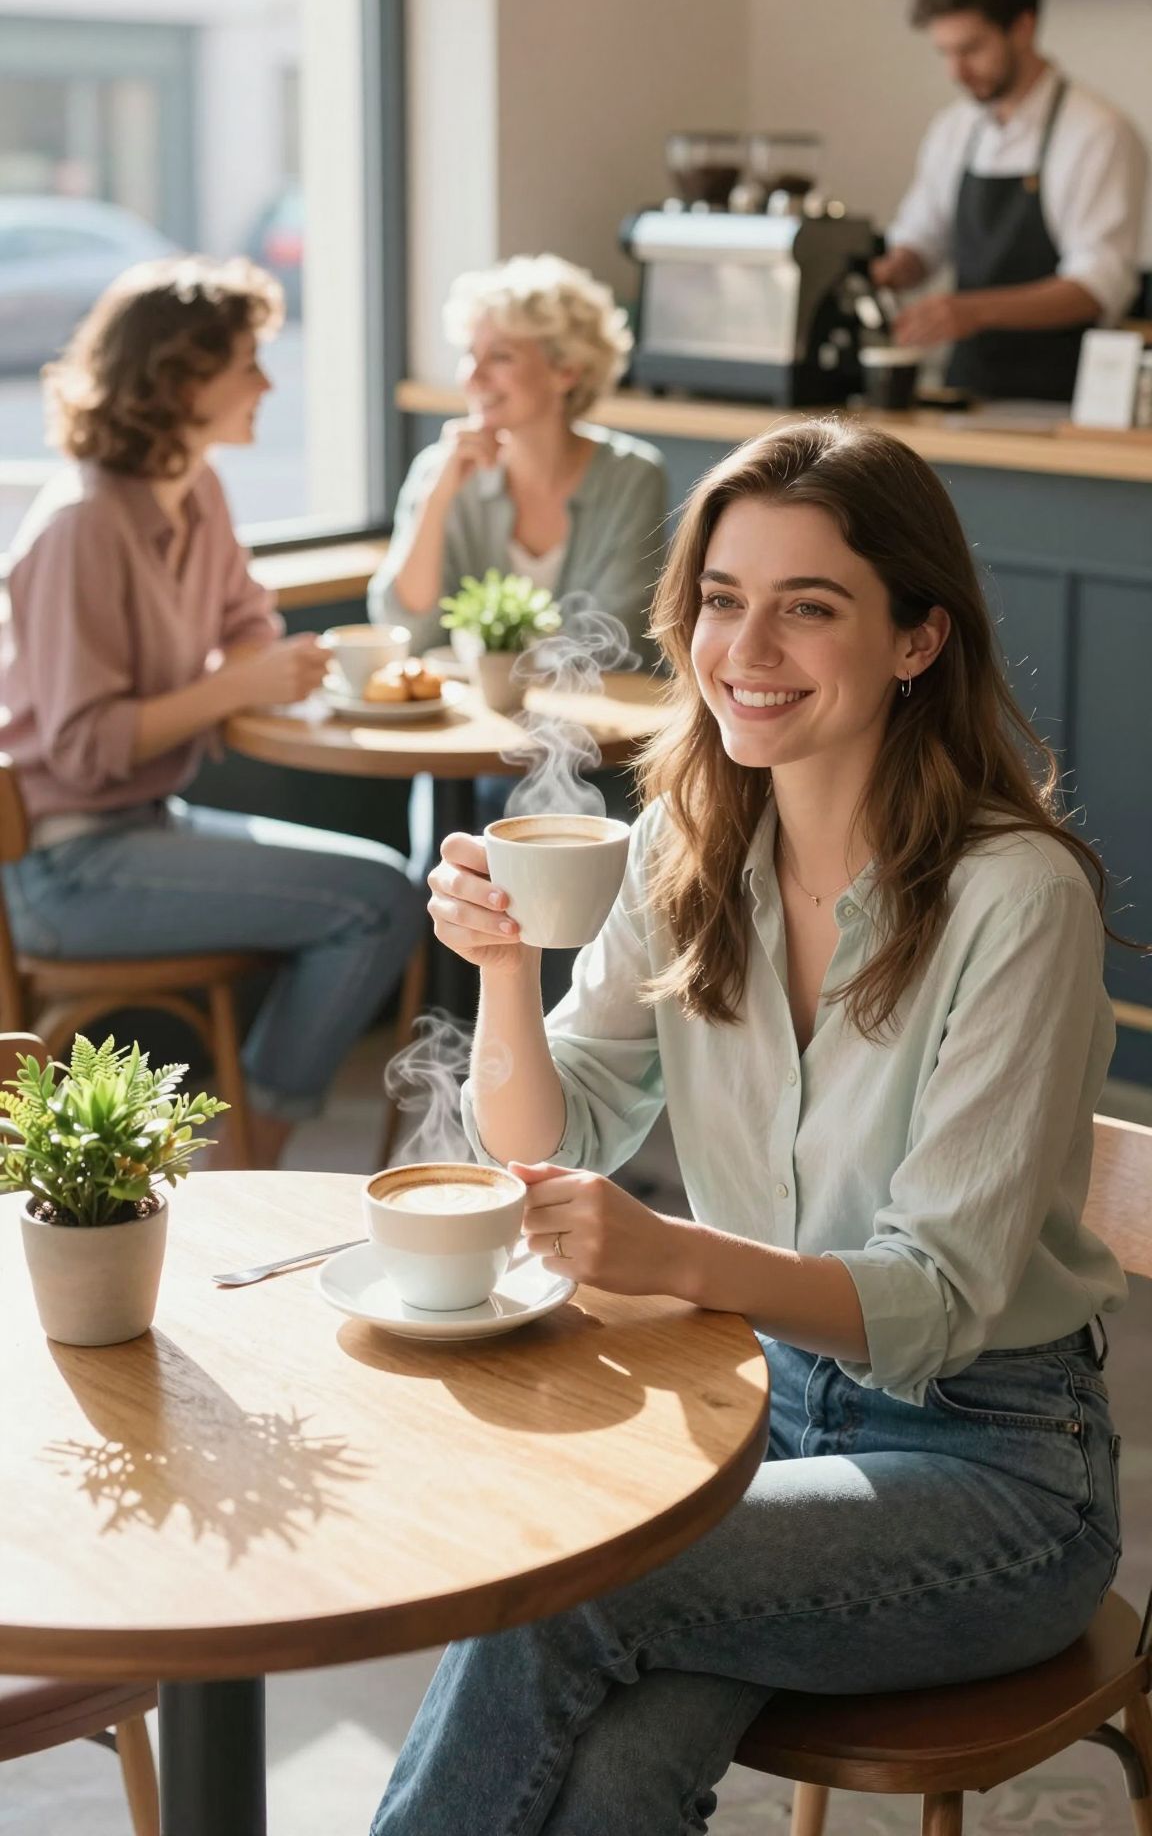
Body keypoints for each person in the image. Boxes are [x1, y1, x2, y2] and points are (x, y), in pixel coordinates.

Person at [372, 416, 1127, 1836]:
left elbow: (944, 1298)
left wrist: (680, 1261)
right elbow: (560, 1136)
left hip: (994, 1470)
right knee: (612, 1768)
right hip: (767, 1422)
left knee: (569, 1588)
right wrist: (508, 971)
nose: (747, 648)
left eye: (809, 607)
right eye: (723, 601)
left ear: (917, 640)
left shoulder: (1016, 900)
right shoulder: (685, 845)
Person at [0, 256, 423, 1170]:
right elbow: (82, 749)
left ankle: (241, 1151)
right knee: (380, 899)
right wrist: (237, 686)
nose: (268, 382)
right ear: (180, 377)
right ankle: (246, 1160)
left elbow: (244, 621)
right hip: (67, 864)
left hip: (145, 824)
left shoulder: (195, 488)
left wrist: (247, 665)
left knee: (385, 886)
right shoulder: (83, 525)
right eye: (248, 362)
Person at [871, 0, 1147, 402]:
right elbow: (923, 240)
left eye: (971, 49)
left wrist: (971, 311)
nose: (956, 71)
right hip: (962, 393)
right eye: (944, 52)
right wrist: (893, 269)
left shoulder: (1097, 133)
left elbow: (1098, 286)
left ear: (1023, 28)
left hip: (1066, 399)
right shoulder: (953, 129)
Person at [368, 253, 668, 661]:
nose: (472, 377)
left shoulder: (633, 476)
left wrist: (494, 662)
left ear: (566, 371)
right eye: (470, 354)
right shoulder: (440, 471)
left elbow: (618, 640)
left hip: (593, 718)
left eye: (500, 356)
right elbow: (408, 632)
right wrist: (436, 499)